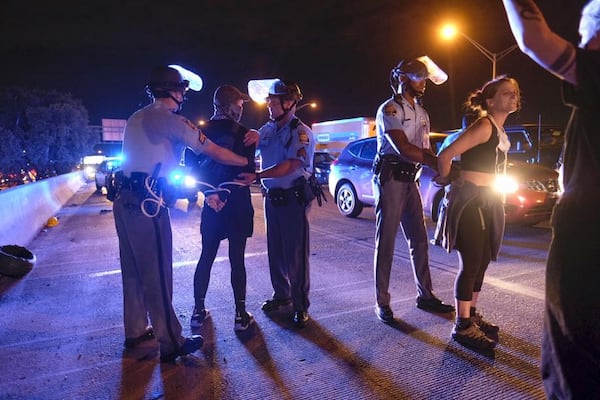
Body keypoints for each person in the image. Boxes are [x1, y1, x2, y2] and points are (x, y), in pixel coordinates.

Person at [112, 66, 251, 362]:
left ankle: (135, 330)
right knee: (158, 275)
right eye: (182, 90)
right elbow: (211, 151)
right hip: (147, 205)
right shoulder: (170, 120)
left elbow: (169, 164)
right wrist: (244, 161)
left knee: (133, 272)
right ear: (175, 91)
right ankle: (172, 341)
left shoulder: (138, 116)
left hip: (124, 202)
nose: (184, 94)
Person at [502, 1, 600, 397]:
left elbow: (532, 37)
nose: (583, 43)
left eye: (588, 35)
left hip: (588, 246)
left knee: (575, 367)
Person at [435, 76, 521, 351]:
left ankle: (470, 314)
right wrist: (448, 180)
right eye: (506, 93)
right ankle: (461, 326)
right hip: (472, 201)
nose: (513, 97)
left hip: (489, 200)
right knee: (471, 262)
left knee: (482, 260)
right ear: (489, 101)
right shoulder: (485, 126)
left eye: (515, 94)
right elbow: (445, 155)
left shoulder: (498, 129)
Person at [372, 57, 455, 324]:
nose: (424, 84)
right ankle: (382, 303)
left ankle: (425, 295)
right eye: (420, 78)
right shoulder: (390, 110)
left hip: (411, 181)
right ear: (404, 79)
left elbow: (426, 149)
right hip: (392, 179)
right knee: (385, 242)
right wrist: (437, 162)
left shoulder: (422, 113)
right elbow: (404, 148)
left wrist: (446, 169)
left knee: (419, 240)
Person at [237, 79, 315, 328]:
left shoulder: (301, 132)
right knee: (276, 252)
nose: (269, 105)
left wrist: (258, 176)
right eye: (269, 101)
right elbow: (252, 144)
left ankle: (300, 305)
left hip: (293, 200)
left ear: (289, 103)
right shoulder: (268, 130)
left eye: (273, 101)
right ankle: (282, 296)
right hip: (272, 200)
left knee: (295, 255)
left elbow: (293, 164)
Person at [187, 85, 258, 332]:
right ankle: (240, 315)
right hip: (237, 203)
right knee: (237, 259)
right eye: (239, 105)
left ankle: (197, 312)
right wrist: (224, 194)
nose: (241, 110)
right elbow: (247, 172)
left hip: (211, 206)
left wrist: (210, 194)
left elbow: (191, 170)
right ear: (229, 106)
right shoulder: (246, 135)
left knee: (206, 256)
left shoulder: (198, 132)